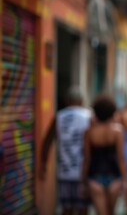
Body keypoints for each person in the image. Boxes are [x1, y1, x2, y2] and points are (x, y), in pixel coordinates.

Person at [40, 86, 92, 215]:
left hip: (64, 172)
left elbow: (47, 141)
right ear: (81, 100)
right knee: (82, 209)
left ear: (67, 100)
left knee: (66, 208)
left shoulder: (59, 116)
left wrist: (43, 163)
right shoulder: (89, 116)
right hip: (83, 173)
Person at [81, 95, 127, 215]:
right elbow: (120, 158)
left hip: (94, 177)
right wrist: (125, 180)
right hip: (114, 177)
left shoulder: (89, 132)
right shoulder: (118, 131)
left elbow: (86, 158)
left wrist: (82, 181)